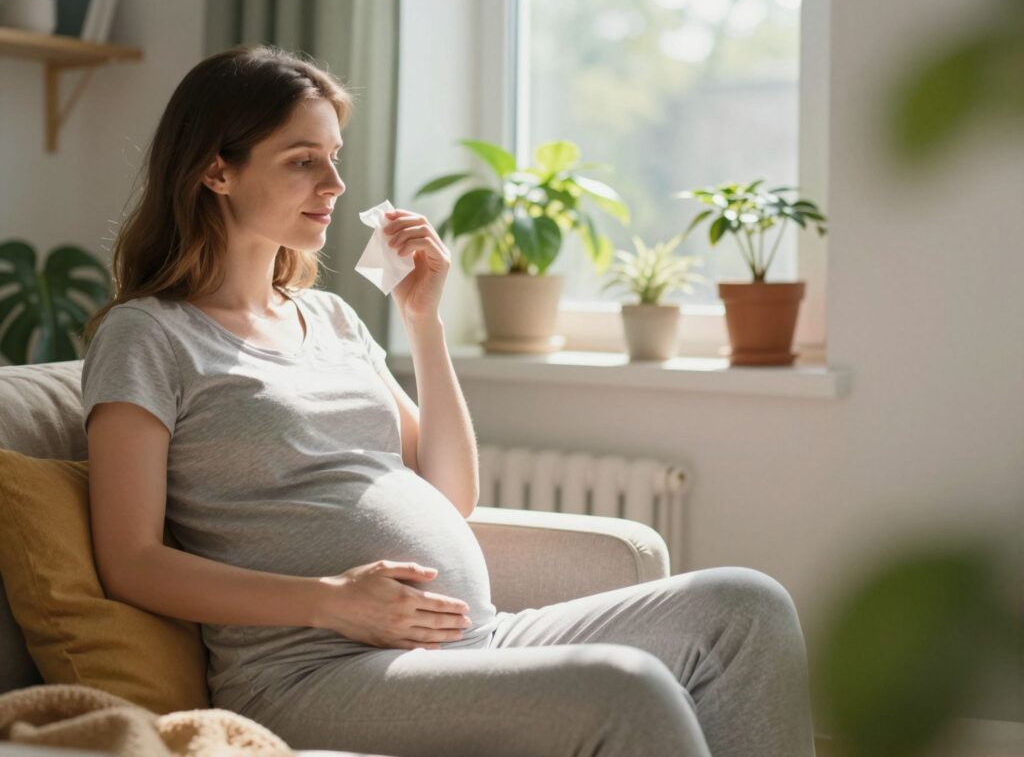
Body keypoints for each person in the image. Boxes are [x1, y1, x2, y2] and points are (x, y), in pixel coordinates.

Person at [81, 44, 817, 757]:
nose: (335, 183)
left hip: (473, 640)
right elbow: (130, 561)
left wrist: (422, 322)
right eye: (303, 160)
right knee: (624, 688)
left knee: (746, 607)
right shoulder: (148, 335)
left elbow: (451, 493)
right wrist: (328, 599)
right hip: (312, 673)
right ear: (217, 170)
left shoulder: (331, 318)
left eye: (334, 156)